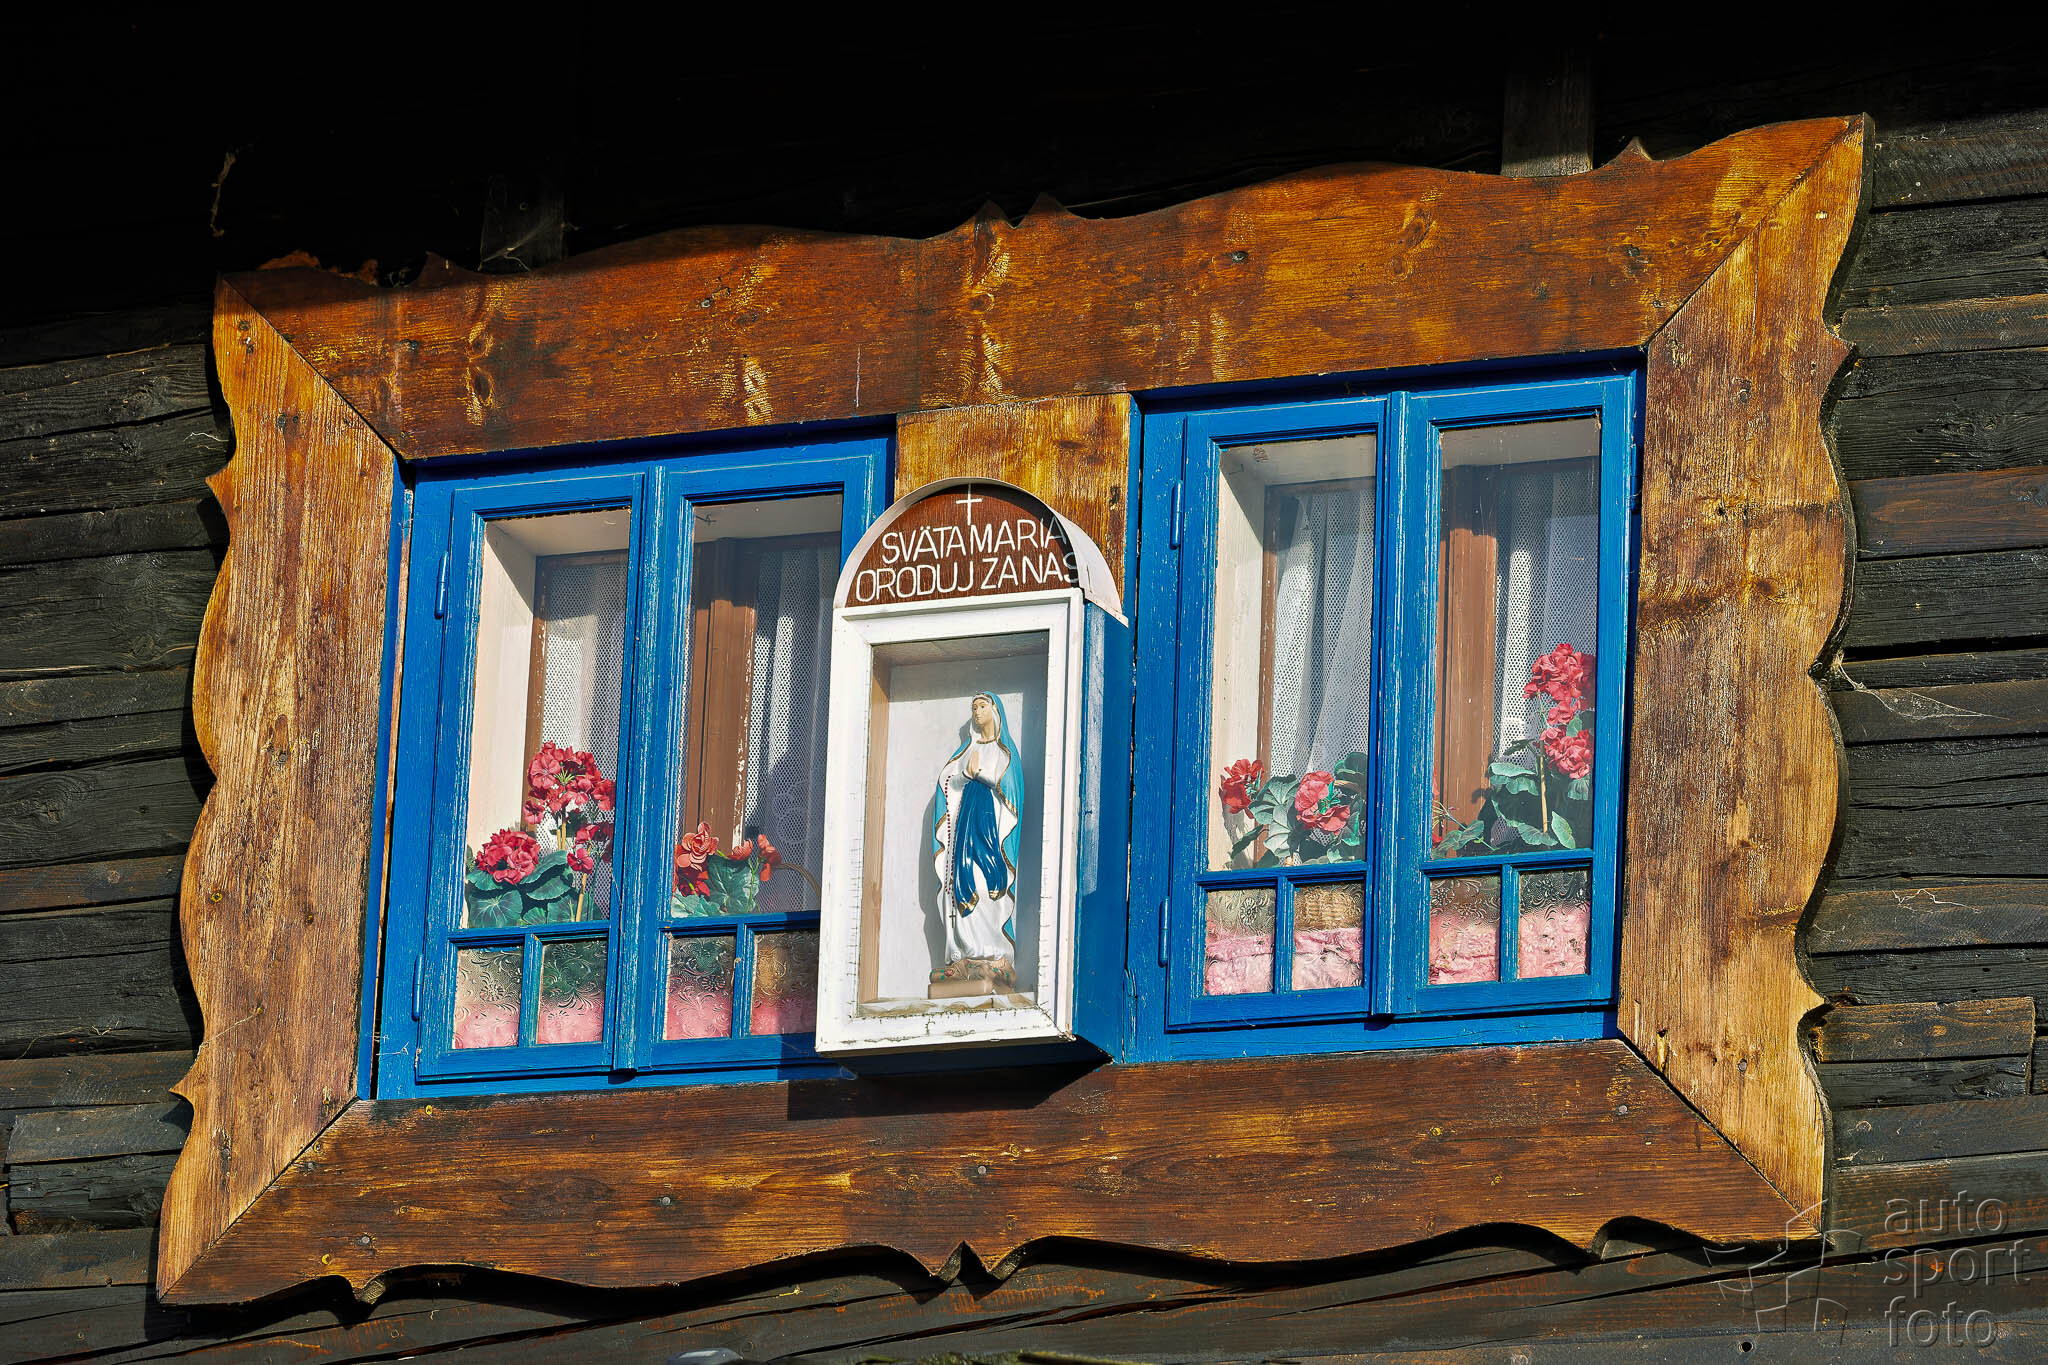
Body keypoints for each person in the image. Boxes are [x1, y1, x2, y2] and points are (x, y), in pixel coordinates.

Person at [930, 691, 1023, 990]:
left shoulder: (1005, 753)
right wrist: (963, 776)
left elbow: (1012, 791)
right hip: (966, 830)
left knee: (986, 887)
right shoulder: (966, 751)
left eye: (982, 706)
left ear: (995, 711)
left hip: (991, 832)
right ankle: (966, 953)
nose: (977, 712)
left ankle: (994, 953)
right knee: (960, 884)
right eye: (974, 707)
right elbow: (948, 783)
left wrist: (981, 775)